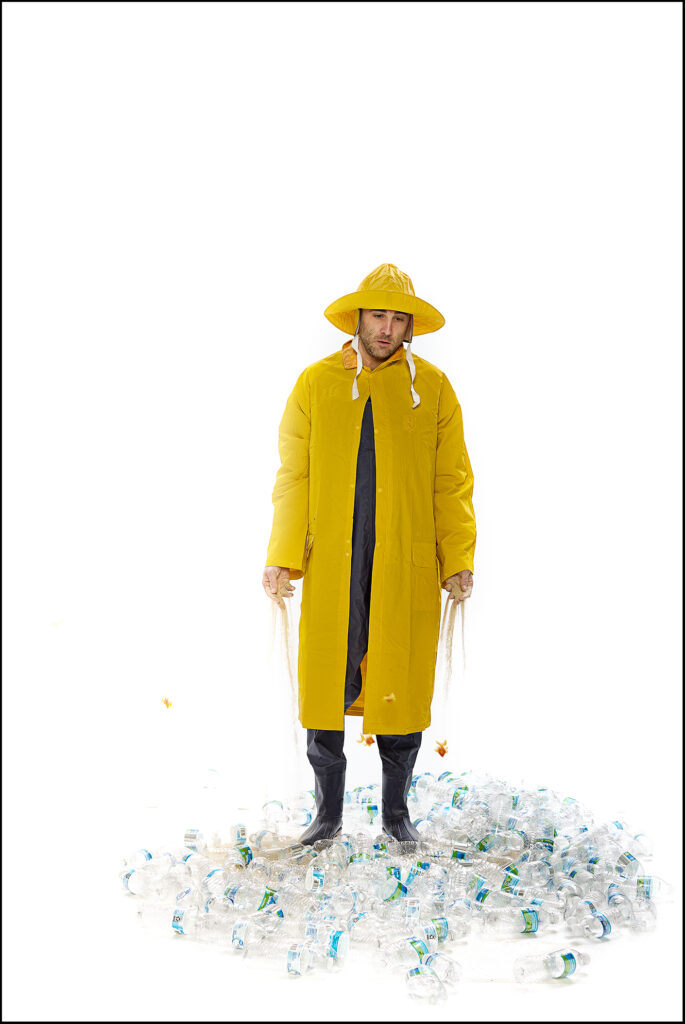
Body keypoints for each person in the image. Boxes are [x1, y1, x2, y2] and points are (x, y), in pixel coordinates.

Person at [262, 263, 476, 843]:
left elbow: (450, 480)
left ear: (411, 327)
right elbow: (294, 475)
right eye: (378, 315)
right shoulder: (316, 384)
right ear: (358, 318)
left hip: (403, 557)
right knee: (328, 681)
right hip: (335, 554)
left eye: (398, 318)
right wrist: (282, 555)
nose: (387, 328)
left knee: (398, 684)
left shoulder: (431, 389)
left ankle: (396, 816)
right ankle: (327, 817)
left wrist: (457, 558)